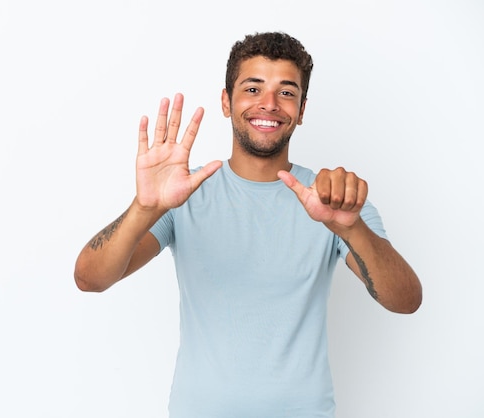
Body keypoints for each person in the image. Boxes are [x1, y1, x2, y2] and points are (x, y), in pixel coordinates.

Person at [74, 31, 422, 418]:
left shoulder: (332, 200)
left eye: (286, 92)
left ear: (302, 110)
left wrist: (350, 228)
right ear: (227, 101)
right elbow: (90, 279)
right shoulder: (183, 193)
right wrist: (144, 207)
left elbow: (405, 301)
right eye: (253, 89)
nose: (269, 104)